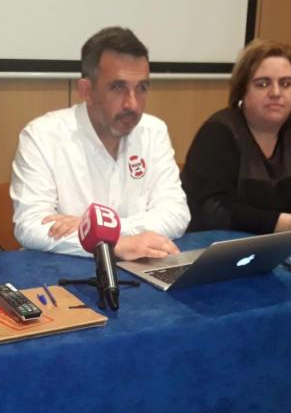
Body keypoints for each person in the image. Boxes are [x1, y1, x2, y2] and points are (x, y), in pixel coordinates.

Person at [10, 27, 190, 261]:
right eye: (118, 87)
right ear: (86, 91)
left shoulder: (153, 131)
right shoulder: (42, 135)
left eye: (141, 88)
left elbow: (176, 213)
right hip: (64, 270)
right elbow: (31, 226)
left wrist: (102, 230)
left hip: (139, 264)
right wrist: (112, 245)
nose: (132, 104)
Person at [181, 39, 291, 242]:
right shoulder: (219, 131)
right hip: (226, 246)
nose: (276, 93)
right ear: (242, 92)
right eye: (263, 84)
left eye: (286, 84)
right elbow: (215, 211)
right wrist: (289, 224)